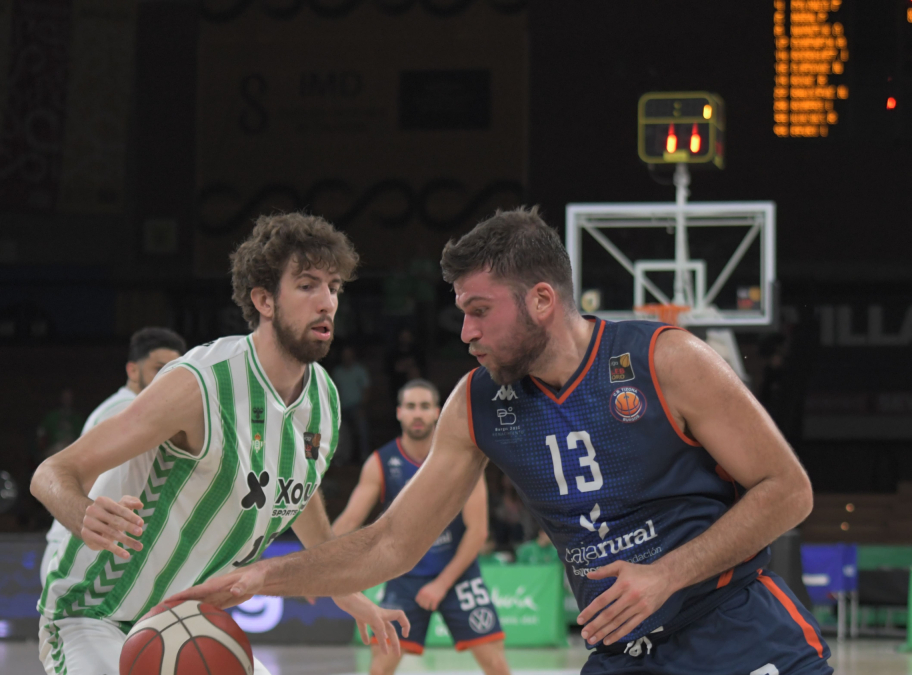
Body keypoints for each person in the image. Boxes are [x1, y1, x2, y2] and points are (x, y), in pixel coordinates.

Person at [173, 206, 833, 674]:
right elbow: (391, 543)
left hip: (734, 629)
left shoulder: (665, 360)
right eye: (462, 313)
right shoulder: (477, 404)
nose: (466, 332)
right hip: (624, 654)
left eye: (479, 311)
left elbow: (789, 491)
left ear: (542, 300)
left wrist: (667, 574)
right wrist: (264, 575)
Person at [30, 213, 408, 675]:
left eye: (334, 287)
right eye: (308, 285)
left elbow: (297, 493)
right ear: (264, 300)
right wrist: (82, 513)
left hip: (183, 622)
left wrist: (348, 594)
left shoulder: (324, 401)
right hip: (95, 616)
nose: (327, 301)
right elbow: (51, 473)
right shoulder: (200, 384)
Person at [332, 379, 510, 675]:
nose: (418, 413)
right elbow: (350, 521)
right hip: (403, 576)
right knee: (379, 669)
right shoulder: (380, 462)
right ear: (399, 412)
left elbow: (478, 531)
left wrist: (441, 584)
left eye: (425, 406)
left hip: (458, 574)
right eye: (411, 406)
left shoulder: (464, 459)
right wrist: (316, 565)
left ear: (437, 412)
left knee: (496, 665)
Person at [39, 327, 187, 587]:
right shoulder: (124, 411)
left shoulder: (128, 409)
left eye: (173, 371)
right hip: (77, 553)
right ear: (133, 371)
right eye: (158, 369)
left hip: (96, 548)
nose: (166, 378)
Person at [332, 345, 372, 464]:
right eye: (345, 355)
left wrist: (362, 407)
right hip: (341, 409)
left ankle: (365, 456)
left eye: (349, 355)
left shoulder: (360, 370)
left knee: (362, 428)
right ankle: (341, 459)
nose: (347, 358)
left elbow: (367, 390)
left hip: (357, 407)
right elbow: (333, 391)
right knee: (340, 432)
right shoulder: (337, 372)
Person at [36, 389, 85, 459]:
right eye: (65, 397)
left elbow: (83, 436)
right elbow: (41, 433)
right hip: (54, 450)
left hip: (71, 450)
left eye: (69, 398)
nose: (67, 400)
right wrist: (42, 449)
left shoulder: (77, 418)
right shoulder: (52, 416)